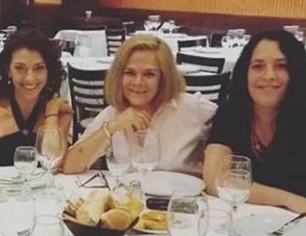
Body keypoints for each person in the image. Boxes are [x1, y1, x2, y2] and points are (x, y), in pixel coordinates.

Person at [63, 35, 217, 176]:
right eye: (130, 72)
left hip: (184, 196)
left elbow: (229, 136)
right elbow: (70, 166)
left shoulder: (194, 109)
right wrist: (111, 128)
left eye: (149, 74)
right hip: (131, 197)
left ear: (164, 78)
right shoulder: (113, 114)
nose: (138, 82)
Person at [203, 29, 306, 213]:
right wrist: (288, 200)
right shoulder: (232, 112)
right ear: (245, 72)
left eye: (281, 66)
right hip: (247, 221)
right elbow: (214, 181)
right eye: (258, 66)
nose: (269, 75)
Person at [0, 27, 72, 167]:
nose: (30, 78)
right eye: (20, 68)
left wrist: (51, 114)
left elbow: (54, 165)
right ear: (8, 70)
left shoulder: (60, 113)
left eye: (39, 68)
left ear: (48, 71)